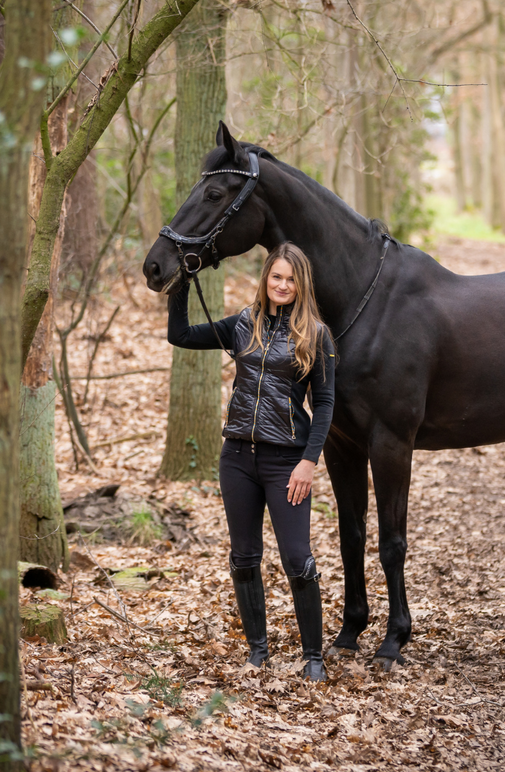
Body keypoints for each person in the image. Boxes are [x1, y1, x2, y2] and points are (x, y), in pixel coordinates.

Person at [167, 242, 335, 681]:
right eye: (276, 276)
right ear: (266, 279)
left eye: (290, 279)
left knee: (298, 560)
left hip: (286, 464)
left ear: (302, 285)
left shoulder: (316, 334)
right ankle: (258, 651)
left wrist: (308, 462)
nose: (282, 285)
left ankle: (313, 658)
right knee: (244, 557)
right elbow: (181, 336)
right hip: (237, 457)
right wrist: (181, 285)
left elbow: (327, 404)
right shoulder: (244, 324)